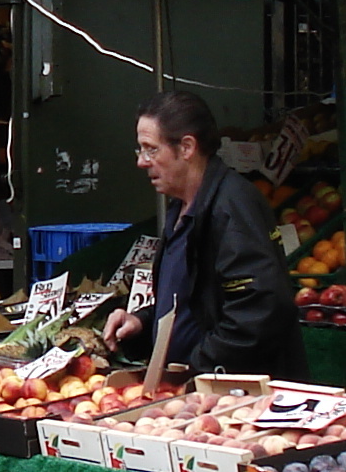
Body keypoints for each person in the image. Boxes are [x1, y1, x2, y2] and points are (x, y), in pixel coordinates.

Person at [103, 88, 305, 381]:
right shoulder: (182, 210)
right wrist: (142, 322)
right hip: (196, 396)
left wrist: (195, 369)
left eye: (151, 149)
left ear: (186, 147)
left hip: (236, 400)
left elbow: (258, 311)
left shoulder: (232, 208)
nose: (142, 162)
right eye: (140, 150)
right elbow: (191, 303)